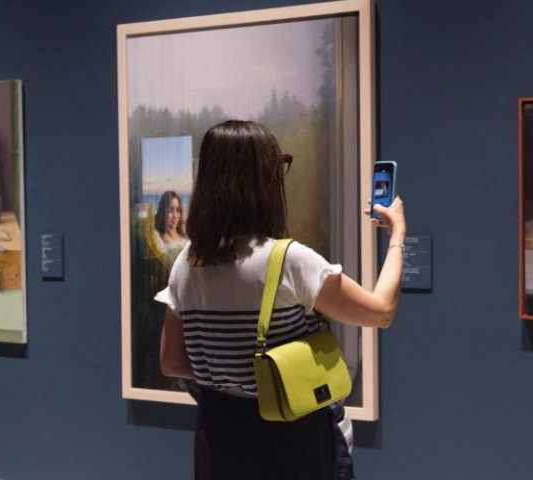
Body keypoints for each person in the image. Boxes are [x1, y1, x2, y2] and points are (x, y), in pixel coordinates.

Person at [156, 120, 406, 480]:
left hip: (218, 443)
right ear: (262, 179)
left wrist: (233, 378)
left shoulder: (188, 262)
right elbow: (380, 312)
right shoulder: (289, 260)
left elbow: (171, 362)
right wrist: (397, 234)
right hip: (290, 443)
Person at [153, 190, 189, 255]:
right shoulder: (159, 238)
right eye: (170, 210)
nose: (175, 216)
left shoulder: (185, 232)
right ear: (163, 212)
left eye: (177, 210)